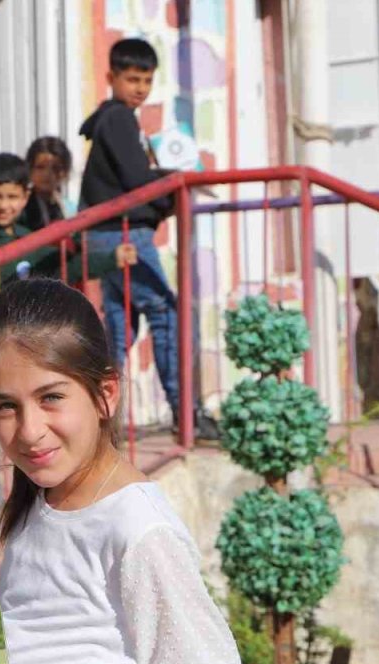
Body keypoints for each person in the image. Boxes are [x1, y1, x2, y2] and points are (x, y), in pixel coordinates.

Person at [0, 278, 245, 664]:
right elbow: (39, 636)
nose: (30, 430)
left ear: (105, 395)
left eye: (51, 397)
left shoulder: (138, 529)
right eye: (6, 406)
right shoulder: (41, 499)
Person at [0, 153, 132, 532]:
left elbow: (62, 265)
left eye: (13, 197)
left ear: (25, 196)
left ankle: (29, 508)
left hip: (23, 369)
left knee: (26, 436)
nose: (5, 205)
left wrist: (110, 259)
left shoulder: (29, 240)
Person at [79, 37, 219, 439]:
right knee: (165, 314)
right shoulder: (119, 118)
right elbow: (138, 184)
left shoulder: (116, 120)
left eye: (146, 80)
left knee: (120, 329)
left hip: (109, 234)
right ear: (112, 78)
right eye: (132, 78)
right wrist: (175, 185)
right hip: (121, 234)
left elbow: (133, 183)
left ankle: (98, 419)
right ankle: (186, 411)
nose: (140, 87)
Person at [19, 136, 75, 233]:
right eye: (40, 167)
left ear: (65, 172)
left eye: (55, 168)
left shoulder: (69, 209)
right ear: (29, 168)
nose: (47, 174)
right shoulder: (20, 207)